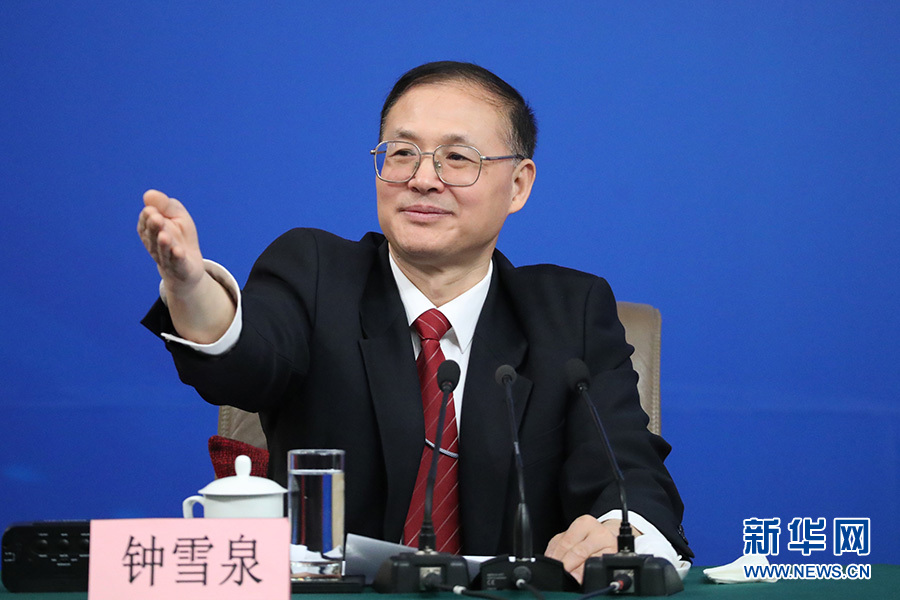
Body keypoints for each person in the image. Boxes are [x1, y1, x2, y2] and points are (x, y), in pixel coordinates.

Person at [138, 61, 692, 582]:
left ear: (518, 185)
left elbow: (632, 474)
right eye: (402, 153)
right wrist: (190, 289)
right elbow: (243, 361)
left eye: (457, 158)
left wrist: (621, 536)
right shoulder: (315, 275)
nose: (423, 179)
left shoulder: (571, 314)